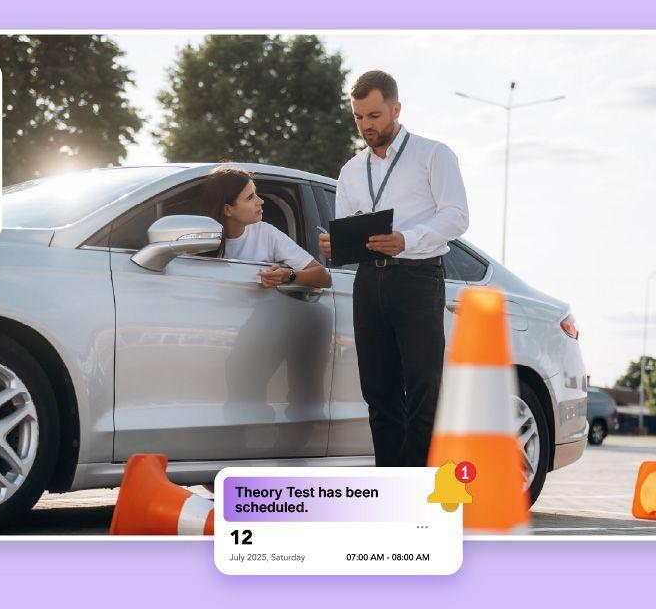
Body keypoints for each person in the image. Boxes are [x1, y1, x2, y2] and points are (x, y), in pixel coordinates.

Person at [320, 70, 470, 467]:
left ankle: (421, 486)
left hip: (418, 278)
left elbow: (457, 216)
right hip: (368, 282)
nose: (366, 125)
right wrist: (337, 244)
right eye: (358, 117)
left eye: (374, 115)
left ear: (396, 108)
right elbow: (349, 227)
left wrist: (408, 239)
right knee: (378, 391)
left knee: (423, 390)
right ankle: (391, 484)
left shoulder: (433, 154)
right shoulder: (351, 170)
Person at [201, 166, 331, 289]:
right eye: (250, 197)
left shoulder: (266, 233)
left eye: (255, 194)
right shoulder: (200, 237)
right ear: (228, 210)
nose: (261, 201)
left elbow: (324, 277)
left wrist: (286, 275)